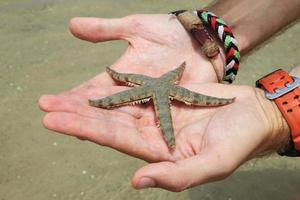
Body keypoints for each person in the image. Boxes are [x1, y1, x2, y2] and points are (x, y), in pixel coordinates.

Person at [38, 0, 300, 191]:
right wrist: (209, 33)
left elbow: (173, 83)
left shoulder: (163, 84)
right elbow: (144, 80)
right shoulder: (161, 83)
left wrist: (275, 113)